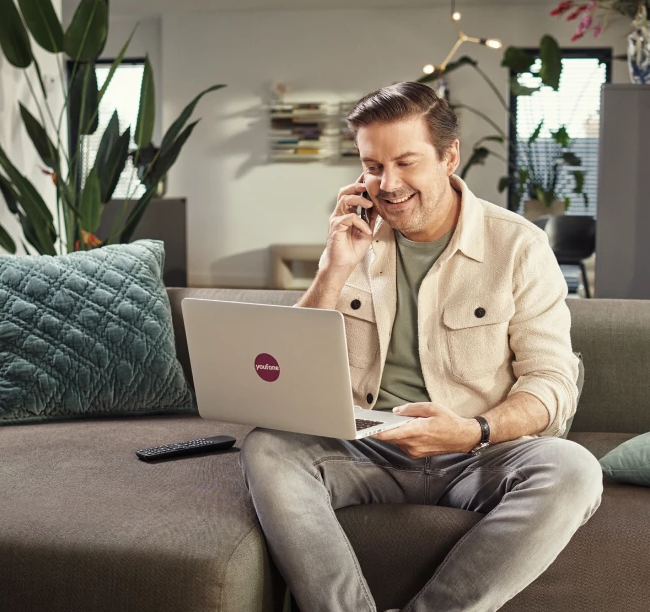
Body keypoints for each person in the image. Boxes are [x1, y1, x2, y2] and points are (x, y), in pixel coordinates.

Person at [239, 81, 603, 612]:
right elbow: (285, 371)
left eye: (406, 163)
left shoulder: (519, 246)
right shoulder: (354, 237)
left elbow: (551, 382)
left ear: (448, 156)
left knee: (575, 470)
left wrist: (473, 430)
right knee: (265, 446)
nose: (388, 185)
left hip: (478, 452)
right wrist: (333, 268)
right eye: (372, 166)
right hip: (368, 448)